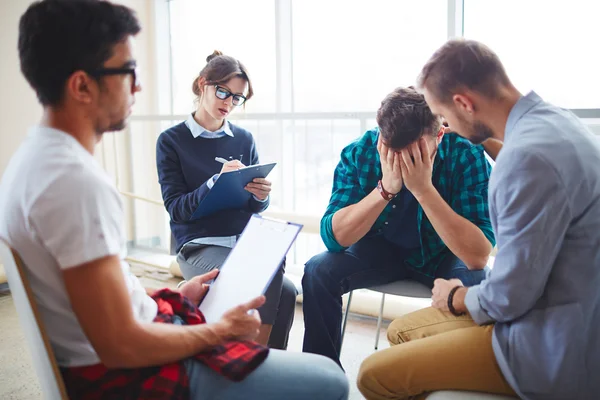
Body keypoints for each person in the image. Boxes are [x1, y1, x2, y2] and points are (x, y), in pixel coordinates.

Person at [0, 1, 348, 399]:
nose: (138, 86)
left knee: (277, 292)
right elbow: (122, 344)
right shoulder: (75, 184)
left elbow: (101, 301)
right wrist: (217, 331)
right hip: (133, 371)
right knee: (331, 380)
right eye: (128, 71)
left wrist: (173, 297)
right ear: (81, 85)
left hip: (129, 342)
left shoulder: (34, 163)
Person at [357, 39, 600, 400]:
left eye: (445, 117)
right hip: (561, 306)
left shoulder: (524, 160)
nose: (445, 128)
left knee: (372, 374)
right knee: (403, 331)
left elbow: (508, 297)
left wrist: (456, 295)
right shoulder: (557, 123)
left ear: (464, 104)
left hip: (553, 342)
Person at [302, 86, 495, 366]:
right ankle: (320, 379)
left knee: (479, 283)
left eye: (414, 152)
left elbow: (478, 256)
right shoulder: (360, 152)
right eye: (394, 151)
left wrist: (423, 190)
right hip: (381, 249)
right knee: (318, 271)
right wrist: (385, 190)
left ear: (439, 134)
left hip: (443, 253)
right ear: (382, 136)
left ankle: (448, 380)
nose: (403, 161)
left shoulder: (466, 155)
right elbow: (334, 239)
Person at [156, 51, 296, 349]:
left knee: (287, 290)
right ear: (202, 84)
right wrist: (213, 182)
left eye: (237, 98)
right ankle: (254, 363)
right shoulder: (171, 141)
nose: (229, 103)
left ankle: (270, 362)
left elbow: (253, 207)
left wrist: (259, 197)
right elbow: (177, 210)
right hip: (199, 245)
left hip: (242, 241)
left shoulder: (243, 139)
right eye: (223, 92)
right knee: (263, 275)